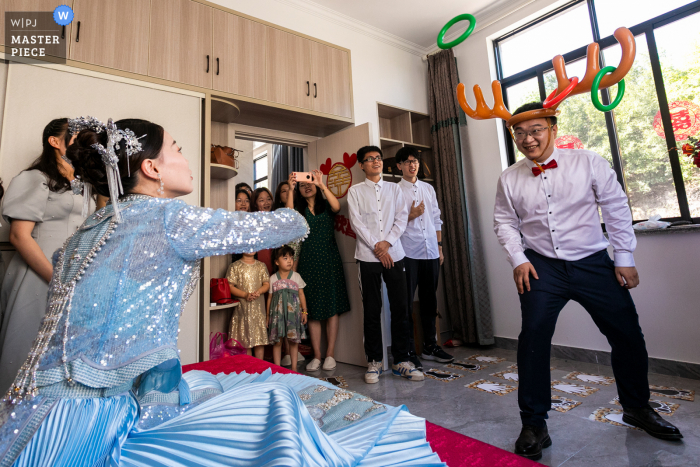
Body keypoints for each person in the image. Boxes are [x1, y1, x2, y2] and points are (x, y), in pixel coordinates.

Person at [0, 116, 444, 466]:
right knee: (276, 405)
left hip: (35, 409)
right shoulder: (169, 218)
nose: (184, 155)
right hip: (105, 419)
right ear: (152, 168)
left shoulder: (87, 230)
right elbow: (279, 226)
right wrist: (294, 200)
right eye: (176, 148)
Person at [493, 102, 683, 460]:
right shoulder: (509, 177)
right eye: (519, 132)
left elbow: (615, 206)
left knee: (626, 333)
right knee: (532, 338)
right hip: (541, 267)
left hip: (593, 262)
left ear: (551, 127)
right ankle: (534, 423)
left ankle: (637, 407)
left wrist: (623, 257)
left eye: (535, 129)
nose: (527, 139)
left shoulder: (588, 162)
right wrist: (518, 259)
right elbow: (504, 222)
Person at [0, 118, 87, 392]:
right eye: (75, 138)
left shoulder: (81, 183)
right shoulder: (35, 178)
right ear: (54, 141)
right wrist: (57, 279)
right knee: (28, 343)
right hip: (38, 272)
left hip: (70, 273)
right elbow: (19, 236)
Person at [347, 146, 423, 383]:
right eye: (370, 159)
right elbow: (357, 224)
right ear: (361, 165)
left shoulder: (394, 189)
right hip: (368, 257)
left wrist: (387, 243)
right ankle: (375, 361)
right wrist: (378, 248)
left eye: (378, 158)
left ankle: (402, 360)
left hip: (395, 254)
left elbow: (402, 218)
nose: (375, 161)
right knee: (371, 310)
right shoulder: (354, 191)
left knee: (401, 308)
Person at [395, 147, 454, 371]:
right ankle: (409, 350)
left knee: (430, 301)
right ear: (399, 165)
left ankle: (430, 346)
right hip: (408, 253)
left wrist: (439, 247)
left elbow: (437, 218)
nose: (413, 165)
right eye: (408, 161)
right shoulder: (395, 191)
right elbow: (392, 222)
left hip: (430, 250)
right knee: (406, 303)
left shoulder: (428, 188)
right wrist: (412, 215)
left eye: (416, 161)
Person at [287, 169, 350, 372]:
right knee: (311, 310)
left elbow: (337, 206)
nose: (307, 186)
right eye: (304, 184)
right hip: (308, 262)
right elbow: (288, 217)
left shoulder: (326, 206)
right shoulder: (298, 209)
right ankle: (317, 355)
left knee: (331, 307)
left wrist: (322, 184)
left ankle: (330, 354)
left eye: (310, 182)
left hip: (330, 261)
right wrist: (290, 189)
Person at [273, 180, 304, 367]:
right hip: (281, 266)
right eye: (283, 191)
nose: (287, 193)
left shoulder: (299, 217)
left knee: (293, 308)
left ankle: (293, 350)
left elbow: (298, 248)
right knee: (281, 310)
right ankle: (285, 351)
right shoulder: (281, 216)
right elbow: (289, 212)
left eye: (290, 190)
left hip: (294, 264)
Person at [267, 246, 307, 372]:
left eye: (291, 257)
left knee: (294, 341)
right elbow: (269, 298)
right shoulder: (273, 278)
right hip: (277, 316)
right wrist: (267, 316)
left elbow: (301, 295)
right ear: (277, 262)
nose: (289, 261)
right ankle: (277, 369)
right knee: (277, 342)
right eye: (285, 258)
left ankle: (294, 369)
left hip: (293, 316)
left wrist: (304, 311)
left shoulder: (296, 276)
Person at [227, 251, 270, 360]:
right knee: (245, 340)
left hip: (258, 310)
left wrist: (259, 292)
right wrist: (245, 295)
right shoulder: (235, 266)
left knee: (259, 339)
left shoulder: (261, 265)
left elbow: (266, 284)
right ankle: (249, 369)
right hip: (243, 310)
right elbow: (229, 286)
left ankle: (260, 367)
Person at [251, 187, 275, 274]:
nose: (266, 203)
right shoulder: (251, 223)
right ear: (255, 204)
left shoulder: (276, 221)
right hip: (257, 270)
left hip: (275, 269)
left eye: (269, 199)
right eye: (261, 200)